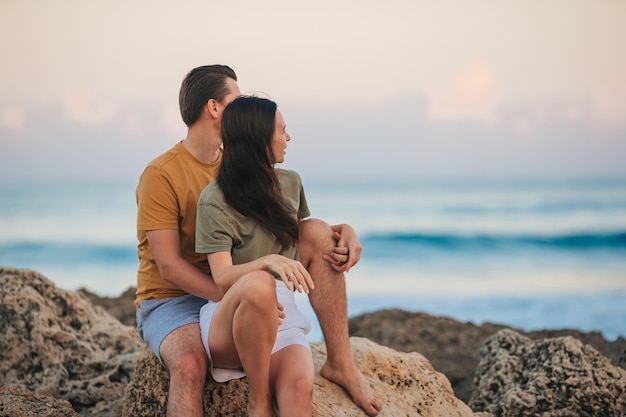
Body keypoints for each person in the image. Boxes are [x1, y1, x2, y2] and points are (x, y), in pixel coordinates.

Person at [135, 65, 381, 417]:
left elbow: (286, 227)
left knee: (318, 235)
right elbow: (170, 266)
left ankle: (341, 363)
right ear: (215, 108)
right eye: (237, 98)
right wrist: (248, 296)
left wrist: (341, 231)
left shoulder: (242, 166)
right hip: (172, 297)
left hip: (240, 283)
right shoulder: (161, 175)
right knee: (190, 364)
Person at [196, 95, 316, 416]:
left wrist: (342, 232)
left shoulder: (291, 183)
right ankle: (258, 400)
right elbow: (221, 279)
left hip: (283, 317)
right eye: (281, 131)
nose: (287, 138)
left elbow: (306, 235)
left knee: (302, 387)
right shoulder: (214, 199)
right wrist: (266, 262)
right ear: (258, 138)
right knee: (260, 283)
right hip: (234, 318)